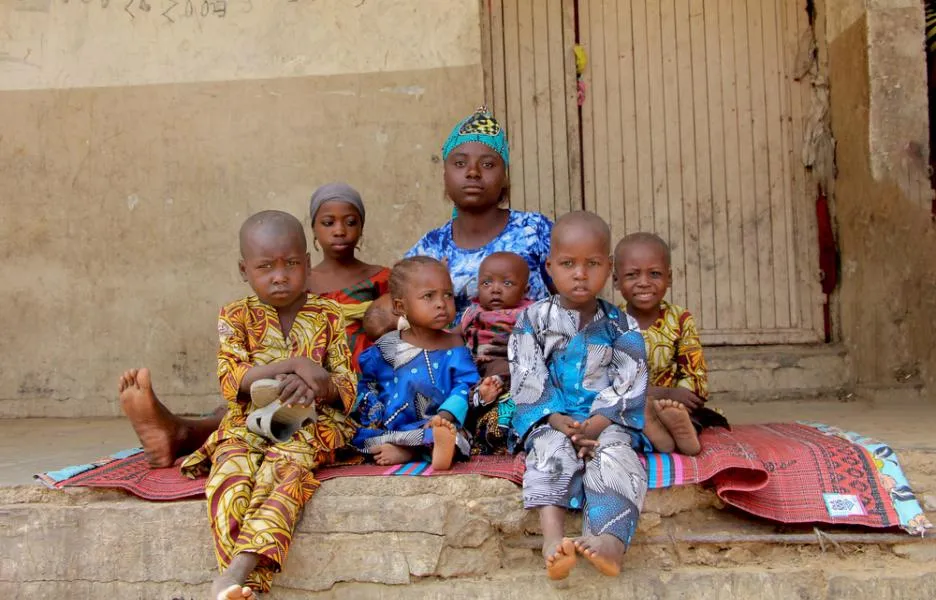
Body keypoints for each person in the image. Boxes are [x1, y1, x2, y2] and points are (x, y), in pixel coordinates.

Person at [119, 211, 357, 599]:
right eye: (265, 267)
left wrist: (317, 384)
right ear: (244, 270)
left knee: (284, 472)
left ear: (308, 264)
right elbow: (232, 378)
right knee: (228, 477)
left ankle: (237, 573)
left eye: (292, 264)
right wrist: (293, 364)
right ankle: (248, 591)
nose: (280, 275)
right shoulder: (235, 315)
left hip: (313, 424)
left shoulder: (329, 314)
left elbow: (346, 384)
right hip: (248, 422)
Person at [120, 185, 388, 468]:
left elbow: (386, 327)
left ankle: (181, 433)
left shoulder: (375, 279)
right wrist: (292, 368)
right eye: (328, 222)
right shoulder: (290, 288)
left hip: (350, 375)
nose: (339, 230)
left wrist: (317, 378)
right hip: (276, 384)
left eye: (351, 221)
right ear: (313, 230)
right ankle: (176, 431)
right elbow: (234, 376)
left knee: (320, 417)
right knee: (240, 411)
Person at [509, 211, 648, 581]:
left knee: (617, 459)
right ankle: (553, 539)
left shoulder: (622, 324)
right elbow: (526, 373)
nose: (580, 274)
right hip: (552, 420)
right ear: (550, 266)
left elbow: (630, 378)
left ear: (610, 268)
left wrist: (600, 422)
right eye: (568, 264)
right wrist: (555, 419)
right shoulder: (533, 320)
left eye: (593, 264)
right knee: (549, 453)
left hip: (607, 422)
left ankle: (610, 543)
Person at [405, 107, 554, 319]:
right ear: (445, 175)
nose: (473, 172)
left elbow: (573, 302)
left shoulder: (535, 231)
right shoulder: (428, 249)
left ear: (503, 175)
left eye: (487, 164)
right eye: (459, 163)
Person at [352, 256, 479, 470]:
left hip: (438, 424)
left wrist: (445, 415)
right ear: (401, 306)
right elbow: (368, 384)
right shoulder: (386, 347)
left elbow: (465, 387)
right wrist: (371, 412)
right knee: (357, 437)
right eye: (428, 296)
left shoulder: (455, 345)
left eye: (447, 294)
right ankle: (408, 449)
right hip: (390, 429)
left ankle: (416, 451)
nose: (441, 303)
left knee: (456, 438)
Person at [613, 232, 727, 456]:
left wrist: (677, 398)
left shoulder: (680, 319)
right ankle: (657, 433)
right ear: (616, 280)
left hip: (676, 405)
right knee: (613, 415)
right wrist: (662, 393)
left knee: (692, 414)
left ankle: (681, 429)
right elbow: (609, 381)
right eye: (632, 275)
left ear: (670, 278)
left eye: (655, 274)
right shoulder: (611, 323)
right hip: (635, 403)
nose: (644, 283)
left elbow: (695, 374)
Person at [458, 251, 532, 454]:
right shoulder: (472, 313)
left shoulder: (532, 313)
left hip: (516, 372)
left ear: (525, 290)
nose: (495, 290)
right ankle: (462, 435)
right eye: (486, 283)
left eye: (507, 284)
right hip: (477, 372)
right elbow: (455, 337)